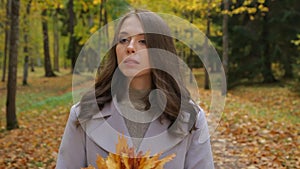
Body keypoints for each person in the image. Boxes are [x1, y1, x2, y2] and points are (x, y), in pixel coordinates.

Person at [56, 9, 214, 169]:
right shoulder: (84, 113)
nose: (130, 48)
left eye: (143, 41)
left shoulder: (189, 118)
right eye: (123, 40)